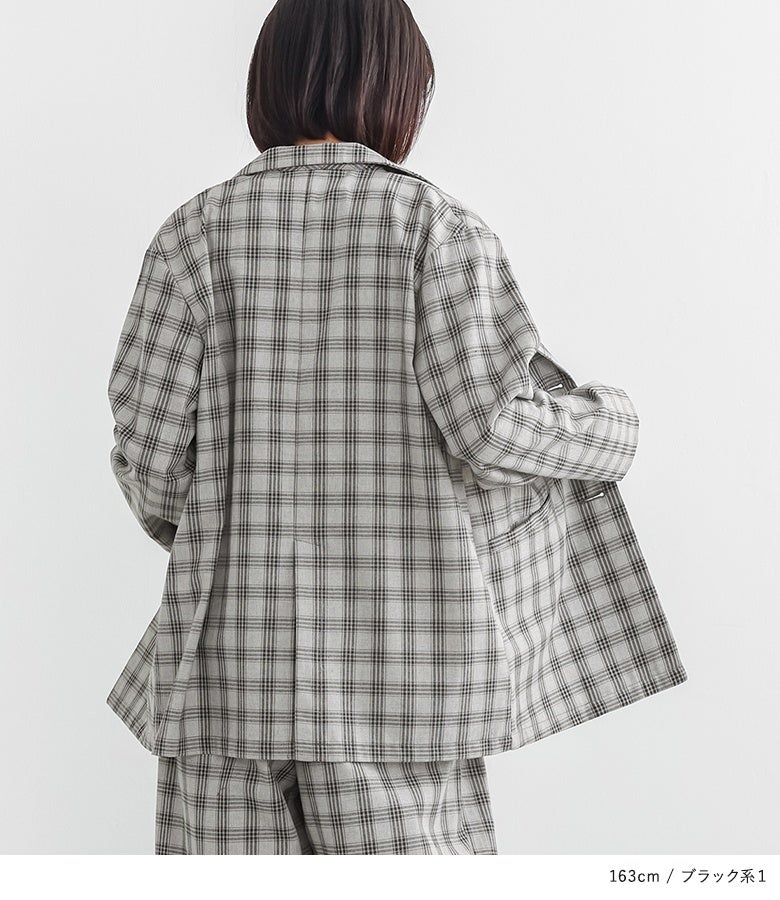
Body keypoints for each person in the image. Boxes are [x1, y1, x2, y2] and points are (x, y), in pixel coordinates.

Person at [106, 0, 688, 855]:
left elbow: (150, 461)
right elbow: (492, 428)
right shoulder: (437, 231)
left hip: (225, 680)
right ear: (397, 89)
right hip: (403, 688)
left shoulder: (189, 237)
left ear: (267, 81)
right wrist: (614, 428)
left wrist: (228, 531)